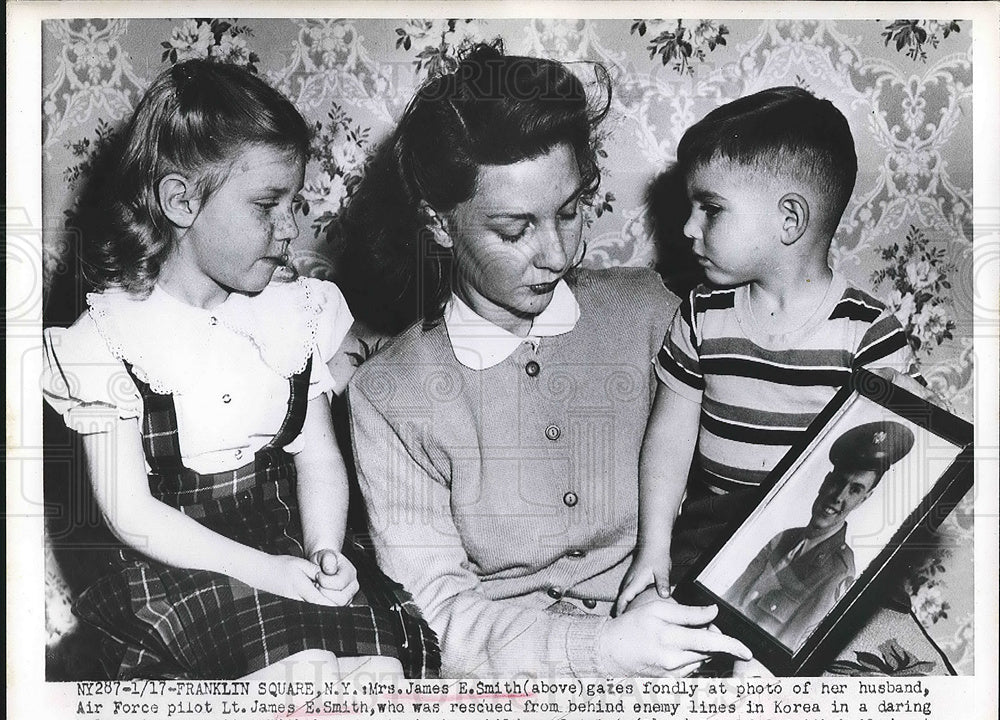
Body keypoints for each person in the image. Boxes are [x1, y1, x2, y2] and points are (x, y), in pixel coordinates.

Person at [345, 42, 753, 678]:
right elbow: (438, 614)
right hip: (505, 689)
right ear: (438, 224)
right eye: (514, 231)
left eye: (569, 213)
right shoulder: (387, 395)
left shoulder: (654, 311)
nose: (558, 254)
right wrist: (606, 651)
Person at [41, 59, 437, 680]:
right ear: (180, 201)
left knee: (376, 669)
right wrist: (268, 573)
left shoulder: (292, 313)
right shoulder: (107, 339)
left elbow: (317, 456)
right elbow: (131, 515)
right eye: (266, 204)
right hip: (177, 564)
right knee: (292, 679)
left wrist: (324, 549)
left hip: (283, 541)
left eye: (295, 202)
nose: (291, 228)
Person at [616, 87, 921, 612]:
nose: (688, 228)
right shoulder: (703, 313)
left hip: (810, 533)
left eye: (710, 208)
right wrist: (654, 549)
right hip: (710, 528)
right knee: (653, 626)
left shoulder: (867, 333)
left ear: (789, 220)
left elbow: (894, 460)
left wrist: (917, 410)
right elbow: (669, 436)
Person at [725, 421, 915, 649]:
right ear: (825, 482)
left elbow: (786, 647)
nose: (838, 497)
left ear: (864, 499)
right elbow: (730, 598)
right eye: (838, 482)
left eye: (855, 490)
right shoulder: (783, 538)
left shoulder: (837, 572)